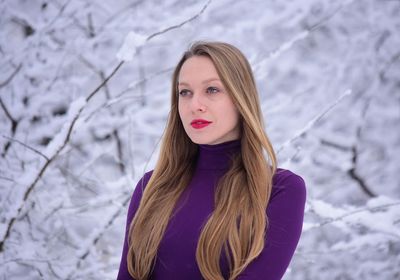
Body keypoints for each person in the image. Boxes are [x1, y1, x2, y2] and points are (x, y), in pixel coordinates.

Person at [117, 41, 306, 280]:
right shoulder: (151, 187)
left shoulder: (279, 190)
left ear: (240, 98)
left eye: (212, 90)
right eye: (185, 92)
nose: (194, 105)